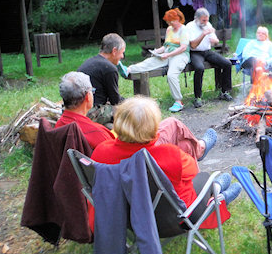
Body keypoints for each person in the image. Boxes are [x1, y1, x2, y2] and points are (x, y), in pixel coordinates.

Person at [91, 96, 241, 227]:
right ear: (153, 128)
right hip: (171, 219)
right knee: (204, 180)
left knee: (184, 154)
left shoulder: (101, 151)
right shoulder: (168, 154)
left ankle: (213, 179)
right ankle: (217, 195)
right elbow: (193, 175)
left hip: (126, 218)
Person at [56, 72, 217, 159]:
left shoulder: (61, 125)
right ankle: (199, 149)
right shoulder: (93, 133)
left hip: (127, 159)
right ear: (87, 97)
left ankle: (197, 148)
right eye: (92, 91)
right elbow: (120, 151)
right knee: (172, 124)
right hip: (138, 158)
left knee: (182, 145)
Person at [127, 8, 190, 113]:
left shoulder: (184, 29)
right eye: (168, 22)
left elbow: (183, 47)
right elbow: (166, 46)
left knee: (172, 75)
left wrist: (168, 54)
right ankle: (129, 69)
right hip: (168, 53)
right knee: (150, 62)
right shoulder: (169, 29)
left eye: (172, 21)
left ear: (178, 19)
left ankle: (178, 101)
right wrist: (157, 51)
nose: (170, 23)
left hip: (180, 55)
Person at [186, 7, 233, 108]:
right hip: (195, 53)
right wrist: (203, 34)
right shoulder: (189, 27)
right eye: (204, 20)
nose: (206, 22)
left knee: (227, 64)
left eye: (207, 20)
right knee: (199, 68)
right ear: (197, 18)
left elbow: (215, 41)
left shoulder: (208, 24)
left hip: (207, 51)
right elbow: (193, 45)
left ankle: (224, 92)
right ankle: (197, 97)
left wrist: (214, 40)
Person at [77, 33, 126, 124]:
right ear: (114, 51)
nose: (122, 56)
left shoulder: (89, 62)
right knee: (127, 110)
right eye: (122, 52)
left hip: (77, 108)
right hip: (90, 112)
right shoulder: (110, 69)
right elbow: (115, 101)